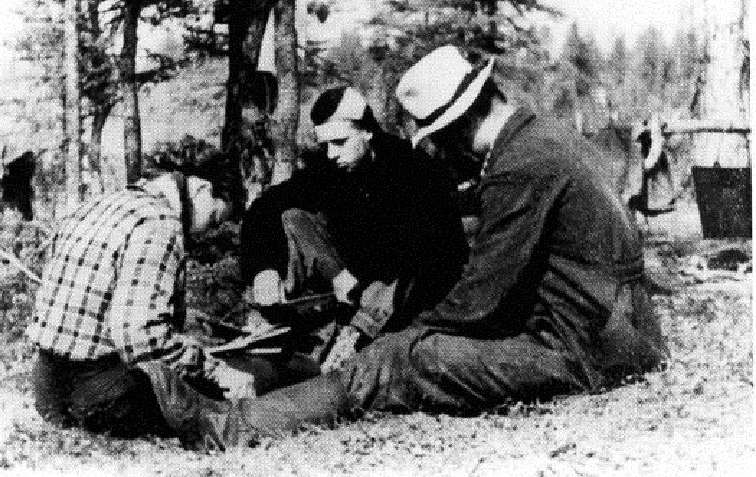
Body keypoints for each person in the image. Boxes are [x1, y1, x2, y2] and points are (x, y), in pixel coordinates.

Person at [182, 45, 669, 451]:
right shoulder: (544, 138)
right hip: (617, 333)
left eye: (442, 136)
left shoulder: (520, 164)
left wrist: (396, 334)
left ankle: (230, 427)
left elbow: (479, 300)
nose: (445, 151)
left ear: (466, 118)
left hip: (584, 350)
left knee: (400, 358)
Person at [240, 86, 468, 374]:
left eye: (339, 142)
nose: (331, 154)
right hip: (354, 284)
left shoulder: (412, 166)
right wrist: (264, 269)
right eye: (325, 146)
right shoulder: (332, 168)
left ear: (367, 132)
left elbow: (420, 240)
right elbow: (266, 206)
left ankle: (353, 338)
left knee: (403, 271)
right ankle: (278, 324)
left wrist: (359, 272)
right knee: (294, 216)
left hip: (416, 287)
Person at [27, 160, 250, 448]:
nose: (205, 233)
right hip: (100, 396)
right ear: (203, 190)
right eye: (215, 219)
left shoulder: (96, 206)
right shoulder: (159, 224)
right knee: (223, 415)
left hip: (48, 389)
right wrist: (216, 372)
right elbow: (139, 337)